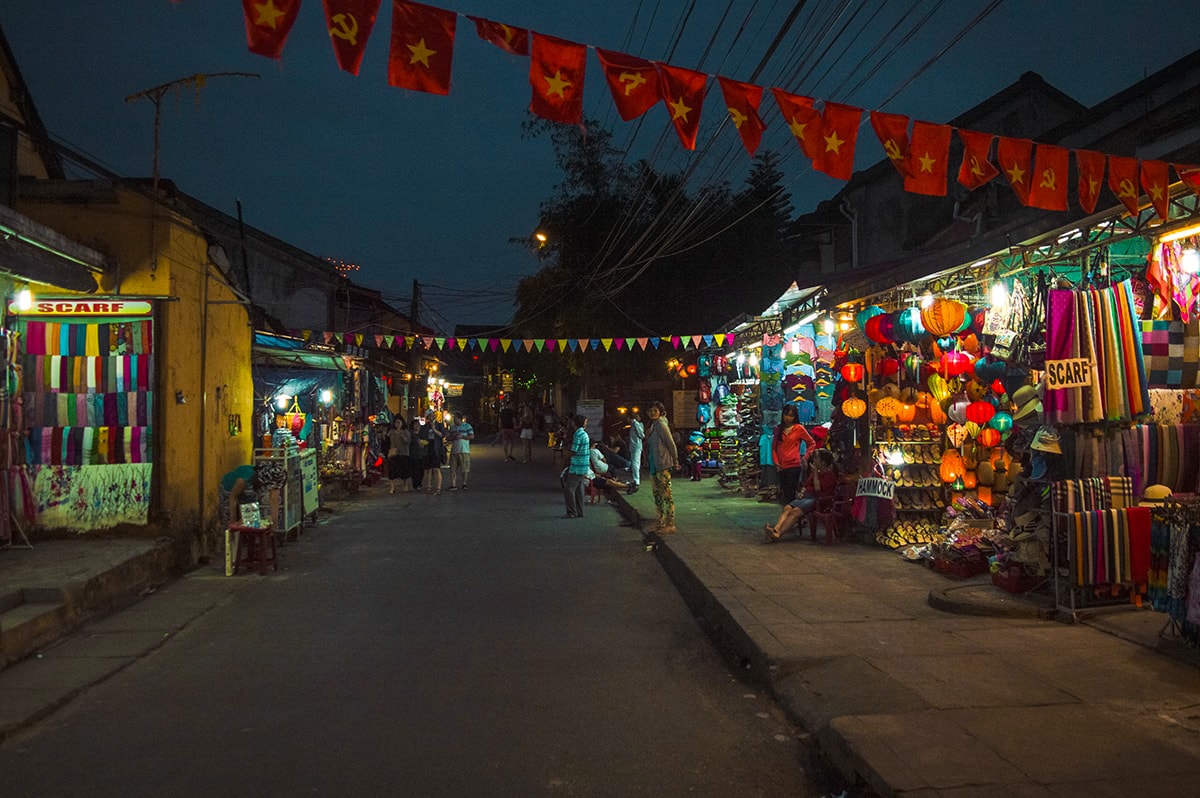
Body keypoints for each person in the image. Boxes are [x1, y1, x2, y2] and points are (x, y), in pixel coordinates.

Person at [764, 448, 837, 543]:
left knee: (795, 512)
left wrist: (815, 473)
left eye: (816, 458)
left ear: (823, 462)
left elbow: (818, 489)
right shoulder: (816, 471)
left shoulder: (829, 475)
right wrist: (802, 491)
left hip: (817, 499)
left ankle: (779, 534)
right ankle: (776, 529)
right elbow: (806, 485)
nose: (814, 460)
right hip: (807, 496)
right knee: (787, 508)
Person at [645, 401, 680, 534]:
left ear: (660, 412)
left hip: (663, 465)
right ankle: (660, 521)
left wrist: (675, 461)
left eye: (655, 410)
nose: (652, 413)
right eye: (650, 411)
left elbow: (671, 445)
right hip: (654, 466)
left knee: (666, 495)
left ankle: (670, 524)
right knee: (657, 495)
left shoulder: (662, 425)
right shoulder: (653, 426)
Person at [772, 404, 817, 506]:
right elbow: (774, 448)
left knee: (791, 493)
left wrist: (805, 457)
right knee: (785, 492)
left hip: (794, 465)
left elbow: (812, 443)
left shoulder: (799, 428)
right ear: (783, 415)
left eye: (791, 416)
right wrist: (776, 462)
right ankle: (789, 515)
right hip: (781, 466)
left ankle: (792, 516)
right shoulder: (778, 429)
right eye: (786, 415)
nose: (788, 418)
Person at [562, 414, 590, 519]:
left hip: (577, 466)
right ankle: (580, 511)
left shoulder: (578, 435)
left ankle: (571, 512)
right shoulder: (584, 434)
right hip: (583, 465)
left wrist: (564, 460)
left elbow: (574, 451)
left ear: (574, 423)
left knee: (569, 489)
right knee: (579, 489)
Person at [421, 409, 447, 495]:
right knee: (428, 469)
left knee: (436, 469)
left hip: (436, 449)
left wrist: (434, 429)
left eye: (432, 415)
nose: (431, 417)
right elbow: (422, 437)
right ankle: (428, 486)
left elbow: (442, 435)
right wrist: (422, 443)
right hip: (428, 448)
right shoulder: (425, 426)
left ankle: (438, 487)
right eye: (429, 416)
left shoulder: (439, 425)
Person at [447, 411, 474, 491]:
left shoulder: (467, 426)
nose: (454, 420)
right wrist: (453, 437)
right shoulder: (452, 427)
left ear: (459, 419)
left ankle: (464, 483)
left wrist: (462, 436)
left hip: (464, 450)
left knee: (465, 468)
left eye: (455, 418)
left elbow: (472, 436)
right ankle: (453, 484)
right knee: (453, 468)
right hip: (454, 450)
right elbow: (448, 437)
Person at [384, 417, 411, 494]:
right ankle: (392, 487)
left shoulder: (405, 431)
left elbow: (408, 441)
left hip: (404, 453)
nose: (397, 424)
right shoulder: (391, 432)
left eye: (399, 422)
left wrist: (402, 435)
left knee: (404, 470)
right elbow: (386, 441)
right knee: (392, 471)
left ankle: (405, 485)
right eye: (396, 423)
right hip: (393, 453)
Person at [626, 411, 644, 494]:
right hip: (634, 446)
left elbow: (641, 435)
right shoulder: (634, 424)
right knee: (634, 463)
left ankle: (636, 481)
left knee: (635, 464)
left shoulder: (636, 424)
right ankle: (635, 480)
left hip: (636, 446)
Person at [407, 417, 425, 492]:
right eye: (415, 425)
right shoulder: (410, 434)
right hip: (413, 455)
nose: (417, 426)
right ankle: (415, 484)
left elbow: (425, 443)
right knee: (414, 471)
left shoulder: (422, 434)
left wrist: (422, 443)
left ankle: (419, 482)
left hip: (421, 454)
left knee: (421, 471)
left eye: (418, 424)